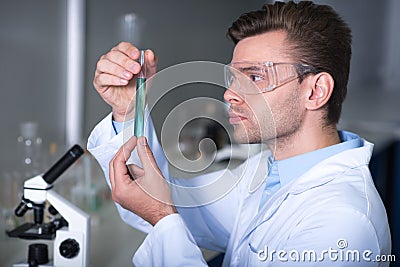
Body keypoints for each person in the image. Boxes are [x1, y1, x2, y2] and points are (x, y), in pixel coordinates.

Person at [87, 1, 391, 266]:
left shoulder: (342, 223)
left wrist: (163, 217)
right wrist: (129, 110)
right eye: (233, 78)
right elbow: (167, 202)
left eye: (255, 76)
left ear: (315, 91)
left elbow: (164, 212)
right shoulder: (266, 172)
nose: (230, 94)